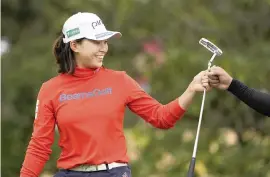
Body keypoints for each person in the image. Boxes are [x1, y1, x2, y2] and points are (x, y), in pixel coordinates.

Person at [20, 12, 211, 177]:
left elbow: (162, 118)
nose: (104, 48)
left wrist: (191, 89)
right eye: (96, 42)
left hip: (113, 173)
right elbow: (39, 147)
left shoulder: (120, 81)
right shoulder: (50, 90)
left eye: (105, 42)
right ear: (74, 45)